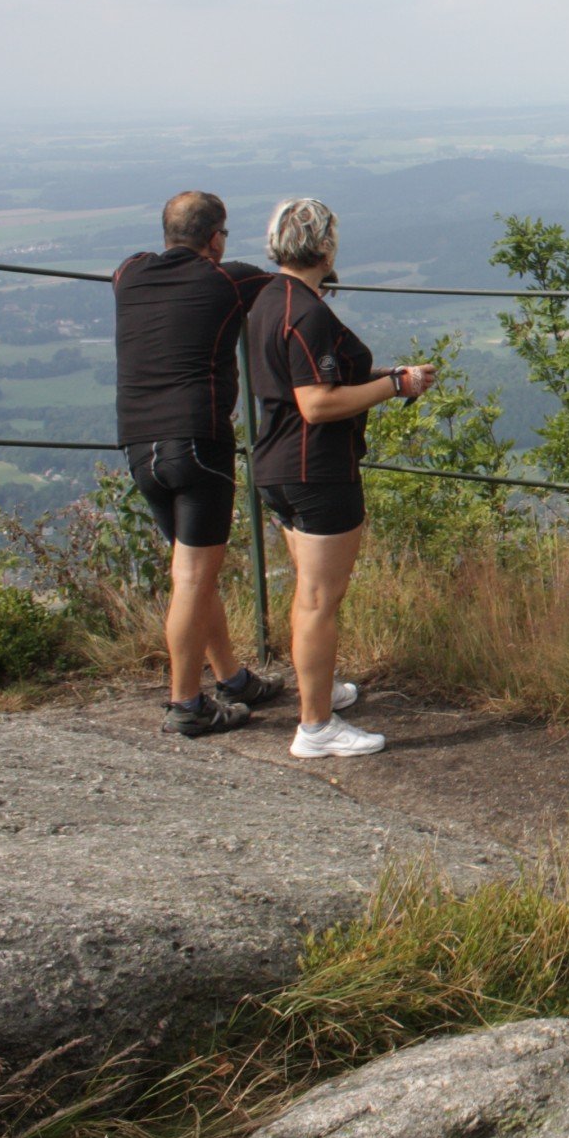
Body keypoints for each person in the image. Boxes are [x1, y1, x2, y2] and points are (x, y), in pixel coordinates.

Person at [247, 197, 436, 759]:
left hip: (277, 465)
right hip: (316, 471)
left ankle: (320, 689)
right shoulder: (306, 312)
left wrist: (385, 376)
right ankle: (316, 727)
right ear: (325, 247)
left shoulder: (267, 299)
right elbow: (318, 404)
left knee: (308, 591)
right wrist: (394, 387)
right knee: (320, 599)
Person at [113, 190, 281, 737]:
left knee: (192, 575)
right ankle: (186, 704)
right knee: (192, 578)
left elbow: (132, 267)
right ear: (215, 238)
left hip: (140, 447)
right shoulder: (228, 279)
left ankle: (232, 680)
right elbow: (295, 285)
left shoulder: (129, 274)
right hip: (197, 443)